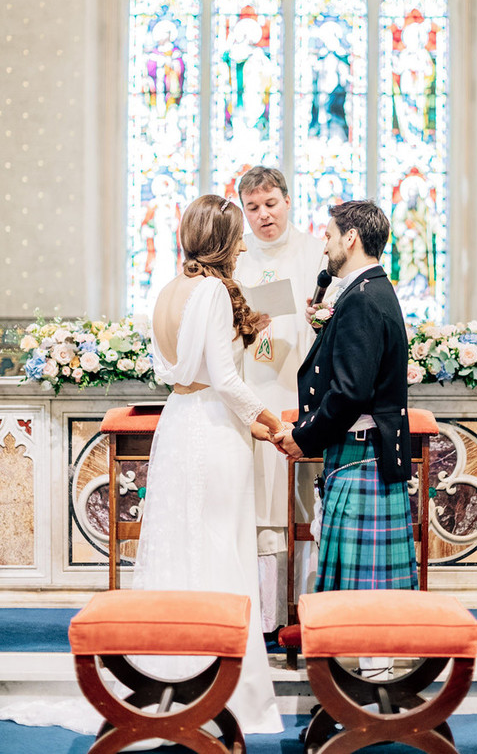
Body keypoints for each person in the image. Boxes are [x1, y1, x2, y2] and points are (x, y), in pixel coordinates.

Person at [131, 193, 284, 735]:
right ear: (222, 241)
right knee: (223, 547)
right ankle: (229, 693)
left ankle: (172, 678)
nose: (243, 246)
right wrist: (268, 418)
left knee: (180, 545)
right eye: (238, 237)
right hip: (215, 430)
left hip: (179, 423)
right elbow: (225, 377)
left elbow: (174, 371)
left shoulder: (167, 291)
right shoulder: (215, 290)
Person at [275, 200, 417, 614]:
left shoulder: (362, 298)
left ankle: (367, 655)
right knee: (364, 588)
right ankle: (365, 652)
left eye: (330, 235)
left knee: (362, 596)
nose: (325, 246)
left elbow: (351, 392)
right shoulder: (371, 289)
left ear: (350, 237)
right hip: (365, 453)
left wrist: (304, 437)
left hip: (362, 454)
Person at [234, 166, 327, 634]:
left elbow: (330, 315)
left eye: (271, 204)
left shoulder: (314, 251)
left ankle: (301, 607)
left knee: (299, 500)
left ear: (287, 201)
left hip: (298, 391)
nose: (263, 215)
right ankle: (263, 614)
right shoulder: (235, 257)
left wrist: (315, 317)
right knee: (256, 498)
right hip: (250, 393)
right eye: (252, 208)